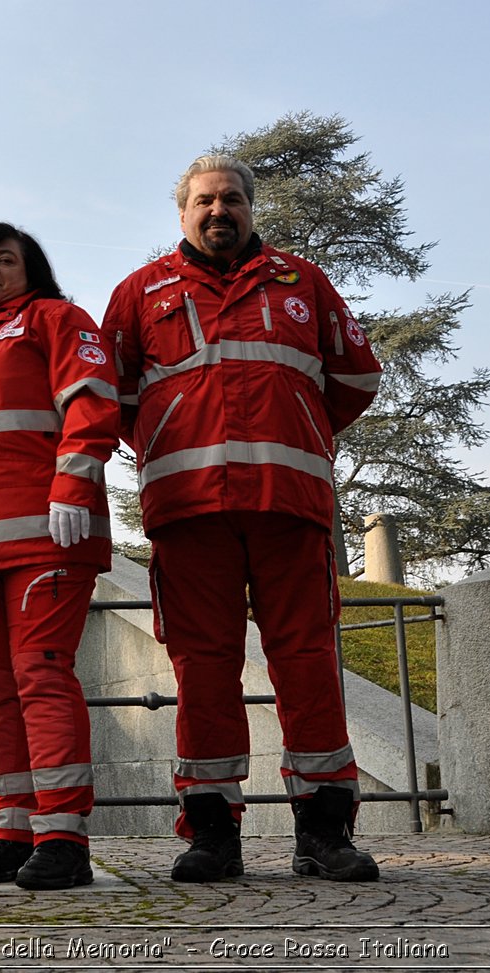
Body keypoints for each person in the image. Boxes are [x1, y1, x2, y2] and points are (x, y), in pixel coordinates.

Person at [102, 155, 385, 883]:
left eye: (231, 198)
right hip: (189, 509)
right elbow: (112, 398)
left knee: (309, 662)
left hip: (289, 507)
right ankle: (211, 834)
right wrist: (170, 442)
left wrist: (296, 431)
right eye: (204, 200)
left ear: (252, 209)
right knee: (203, 671)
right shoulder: (138, 294)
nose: (218, 209)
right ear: (183, 212)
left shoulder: (305, 284)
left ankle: (323, 832)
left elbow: (356, 378)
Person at [0, 223, 119, 890]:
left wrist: (74, 482)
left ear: (28, 270)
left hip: (49, 535)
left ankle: (64, 834)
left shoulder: (56, 319)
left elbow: (93, 400)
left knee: (40, 673)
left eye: (5, 259)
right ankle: (15, 828)